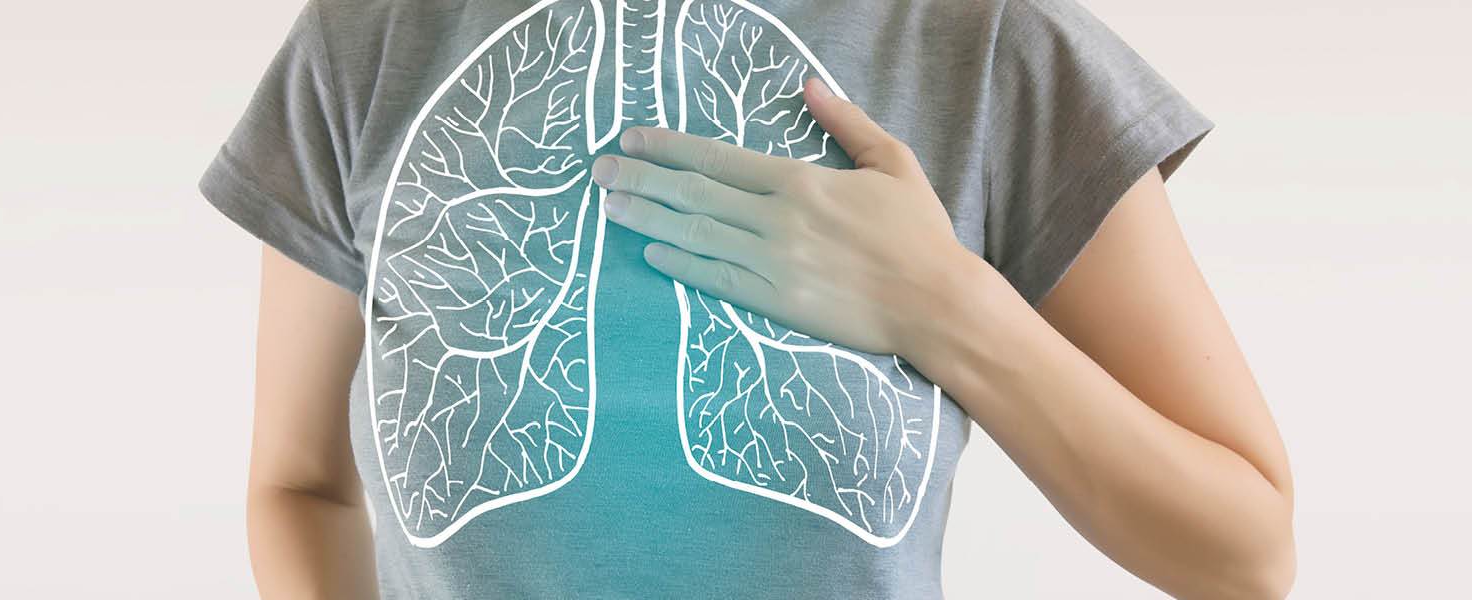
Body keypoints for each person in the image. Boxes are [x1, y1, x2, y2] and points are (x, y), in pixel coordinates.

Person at [197, 0, 1295, 598]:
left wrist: (948, 307)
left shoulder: (984, 45)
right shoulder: (367, 40)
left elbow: (1245, 552)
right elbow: (301, 487)